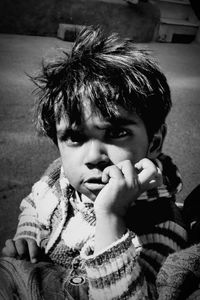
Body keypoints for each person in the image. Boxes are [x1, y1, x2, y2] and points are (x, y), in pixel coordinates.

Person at [0, 26, 188, 300]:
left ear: (155, 142)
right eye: (75, 138)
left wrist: (110, 217)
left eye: (116, 133)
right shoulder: (59, 176)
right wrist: (28, 237)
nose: (92, 158)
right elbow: (34, 204)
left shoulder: (161, 223)